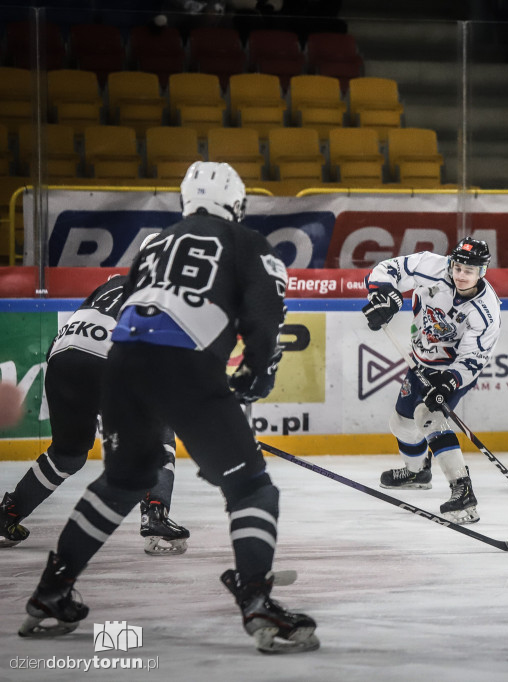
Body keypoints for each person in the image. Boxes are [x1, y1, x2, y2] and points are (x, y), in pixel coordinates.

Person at [18, 162, 318, 654]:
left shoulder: (154, 245)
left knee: (120, 483)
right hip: (185, 368)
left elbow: (139, 308)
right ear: (236, 204)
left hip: (120, 367)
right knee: (252, 488)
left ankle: (51, 593)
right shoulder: (248, 244)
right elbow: (265, 323)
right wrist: (253, 378)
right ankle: (257, 601)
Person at [2, 266, 190, 556]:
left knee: (68, 455)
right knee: (161, 429)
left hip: (63, 353)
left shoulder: (114, 282)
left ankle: (8, 513)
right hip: (108, 355)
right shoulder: (172, 292)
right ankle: (155, 513)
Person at [361, 237, 501, 525]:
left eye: (469, 271)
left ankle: (462, 490)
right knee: (400, 424)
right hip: (420, 360)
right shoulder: (429, 265)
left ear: (482, 272)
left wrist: (449, 382)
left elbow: (474, 358)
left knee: (428, 414)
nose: (461, 275)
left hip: (453, 370)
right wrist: (384, 296)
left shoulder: (486, 311)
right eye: (458, 267)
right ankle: (417, 472)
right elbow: (384, 271)